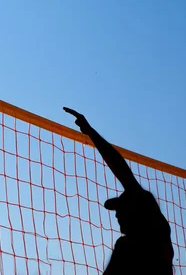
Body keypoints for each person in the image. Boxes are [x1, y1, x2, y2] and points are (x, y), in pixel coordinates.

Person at [63, 107, 174, 274]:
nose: (117, 215)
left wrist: (91, 132)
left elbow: (121, 170)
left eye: (121, 210)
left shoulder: (151, 235)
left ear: (137, 210)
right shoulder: (134, 243)